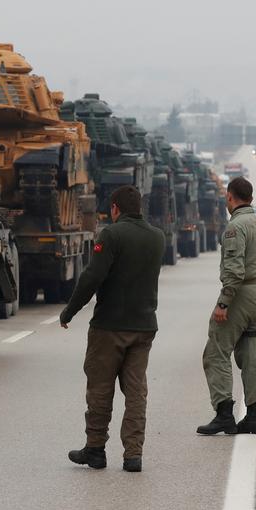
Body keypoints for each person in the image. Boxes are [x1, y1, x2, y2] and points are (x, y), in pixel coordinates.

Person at [60, 185, 166, 473]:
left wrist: (70, 311)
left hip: (109, 326)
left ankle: (95, 449)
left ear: (116, 208)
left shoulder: (111, 235)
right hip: (144, 327)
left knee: (100, 389)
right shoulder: (157, 237)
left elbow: (92, 277)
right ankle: (133, 455)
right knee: (135, 392)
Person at [197, 177, 256, 435]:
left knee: (216, 351)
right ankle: (255, 417)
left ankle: (224, 413)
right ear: (252, 199)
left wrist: (223, 303)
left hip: (240, 295)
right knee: (251, 353)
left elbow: (234, 270)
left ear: (230, 198)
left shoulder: (235, 228)